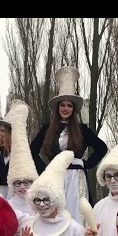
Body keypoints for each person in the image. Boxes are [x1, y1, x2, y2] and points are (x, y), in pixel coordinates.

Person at [30, 66, 107, 223]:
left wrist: (86, 164)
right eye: (63, 105)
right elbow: (32, 150)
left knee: (76, 213)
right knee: (55, 212)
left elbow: (102, 148)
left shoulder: (82, 130)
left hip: (76, 178)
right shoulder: (47, 129)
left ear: (73, 109)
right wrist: (44, 169)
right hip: (55, 177)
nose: (66, 108)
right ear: (58, 107)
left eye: (69, 105)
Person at [6, 100, 38, 219]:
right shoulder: (9, 205)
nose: (22, 187)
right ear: (13, 184)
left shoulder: (39, 204)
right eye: (18, 183)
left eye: (26, 182)